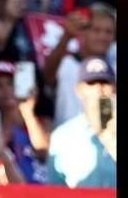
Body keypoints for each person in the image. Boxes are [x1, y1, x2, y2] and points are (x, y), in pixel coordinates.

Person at [46, 56, 116, 189]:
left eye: (105, 82)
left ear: (115, 88)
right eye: (92, 83)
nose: (99, 89)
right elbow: (54, 190)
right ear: (79, 90)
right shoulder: (62, 136)